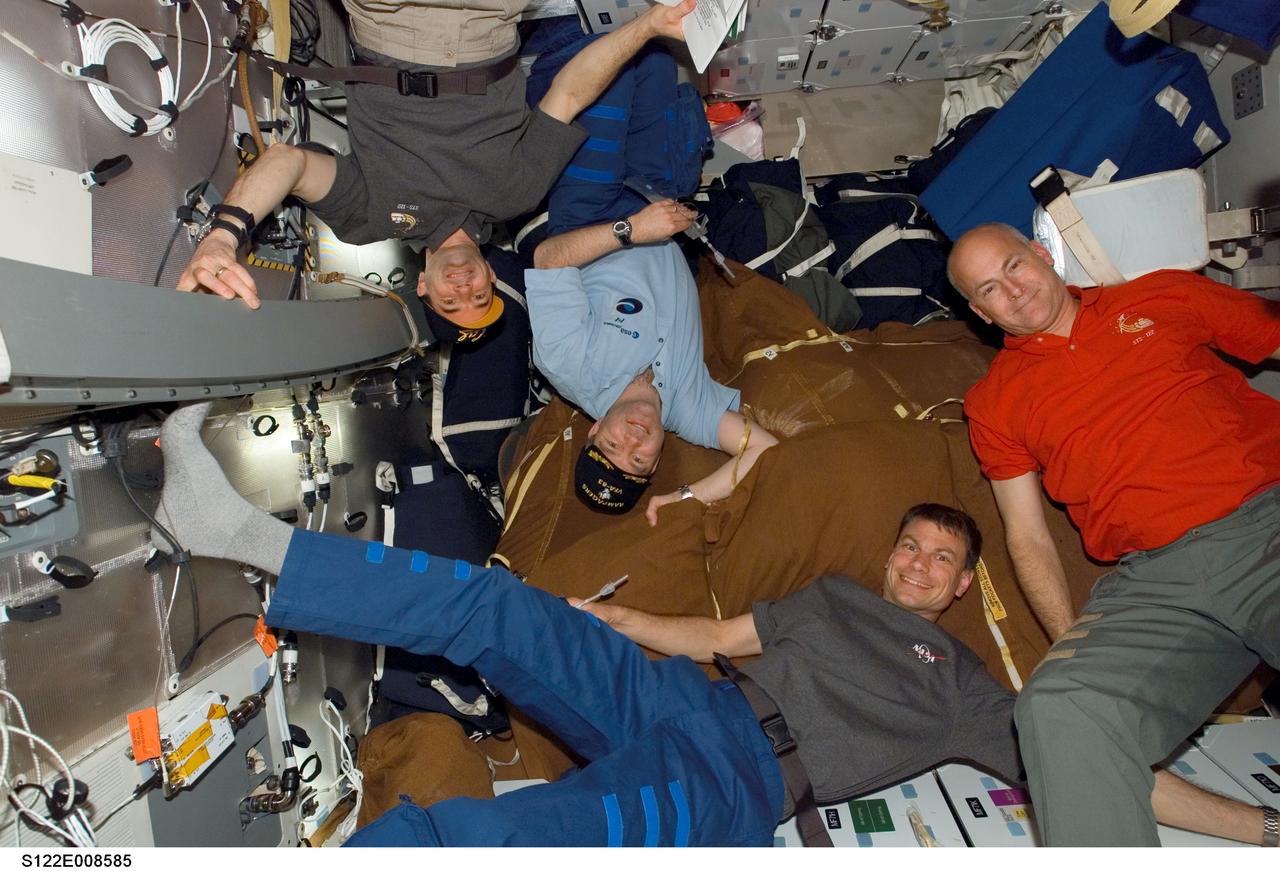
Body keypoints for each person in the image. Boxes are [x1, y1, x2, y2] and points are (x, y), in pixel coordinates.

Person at [151, 403, 1271, 846]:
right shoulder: (833, 596)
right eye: (911, 545)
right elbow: (719, 637)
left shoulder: (965, 687)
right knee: (495, 606)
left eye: (942, 560)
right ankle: (239, 534)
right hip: (681, 696)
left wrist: (1257, 827)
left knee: (501, 839)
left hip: (740, 778)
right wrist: (604, 618)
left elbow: (1101, 765)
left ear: (961, 585)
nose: (919, 565)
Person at [948, 222, 1280, 847]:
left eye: (1014, 266)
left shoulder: (1160, 296)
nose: (1012, 291)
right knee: (1060, 708)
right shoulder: (993, 402)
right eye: (988, 289)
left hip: (1263, 525)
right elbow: (1027, 536)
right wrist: (1072, 646)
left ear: (1043, 254)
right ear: (980, 312)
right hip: (1156, 580)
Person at [174, 0, 695, 328]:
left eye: (451, 303)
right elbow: (570, 92)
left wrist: (224, 236)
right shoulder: (518, 194)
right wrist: (648, 26)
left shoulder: (368, 219)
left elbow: (287, 163)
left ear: (422, 286)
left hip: (389, 19)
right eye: (480, 296)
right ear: (490, 273)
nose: (465, 290)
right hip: (489, 20)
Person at [524, 49, 774, 522]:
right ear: (657, 461)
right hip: (661, 199)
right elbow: (765, 452)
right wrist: (687, 497)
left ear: (595, 430)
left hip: (593, 213)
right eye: (638, 461)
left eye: (612, 446)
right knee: (655, 58)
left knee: (610, 56)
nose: (633, 440)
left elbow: (548, 259)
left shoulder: (568, 364)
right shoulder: (691, 412)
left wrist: (632, 230)